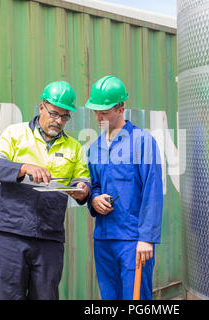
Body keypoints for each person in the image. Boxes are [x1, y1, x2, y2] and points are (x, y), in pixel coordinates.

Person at [0, 81, 90, 300]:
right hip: (11, 235)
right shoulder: (15, 134)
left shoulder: (74, 147)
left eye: (64, 116)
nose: (58, 121)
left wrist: (82, 189)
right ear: (41, 107)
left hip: (49, 238)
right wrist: (23, 167)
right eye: (53, 114)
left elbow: (82, 178)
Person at [85, 75, 163, 300]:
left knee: (136, 298)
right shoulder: (95, 147)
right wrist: (94, 199)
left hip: (133, 240)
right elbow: (95, 184)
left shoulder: (142, 141)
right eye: (95, 111)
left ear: (121, 108)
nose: (99, 117)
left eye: (105, 111)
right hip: (103, 239)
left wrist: (146, 238)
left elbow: (153, 191)